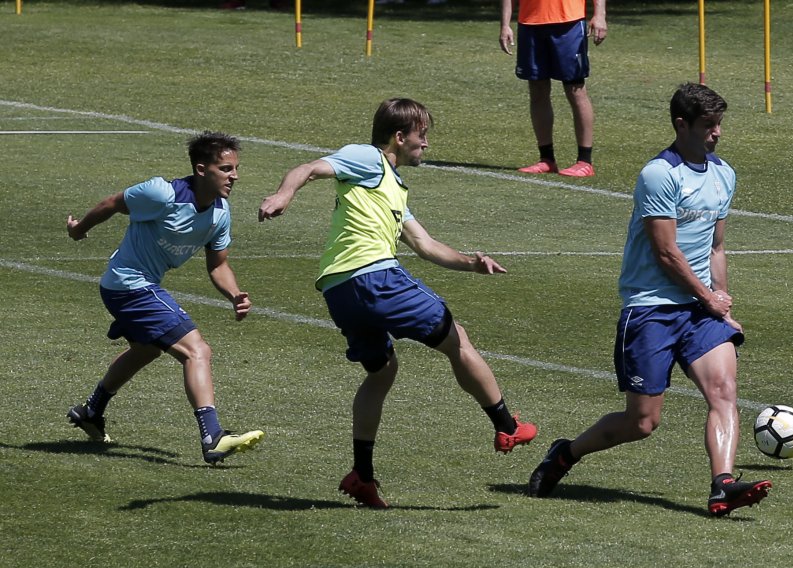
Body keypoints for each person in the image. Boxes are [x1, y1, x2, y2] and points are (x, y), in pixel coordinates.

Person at [258, 97, 538, 509]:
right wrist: (284, 194)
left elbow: (425, 245)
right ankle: (506, 426)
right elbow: (309, 168)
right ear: (400, 136)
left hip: (339, 290)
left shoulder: (393, 187)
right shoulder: (368, 158)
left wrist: (471, 263)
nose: (426, 144)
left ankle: (362, 475)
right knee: (457, 338)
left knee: (382, 371)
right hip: (373, 278)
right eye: (422, 136)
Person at [527, 83, 772, 516]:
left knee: (723, 391)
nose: (717, 133)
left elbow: (715, 248)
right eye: (708, 125)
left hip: (698, 311)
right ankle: (565, 453)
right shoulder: (659, 174)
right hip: (651, 308)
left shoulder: (723, 174)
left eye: (719, 124)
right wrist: (709, 298)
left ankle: (723, 486)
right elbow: (666, 253)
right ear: (682, 125)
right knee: (642, 422)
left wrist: (723, 305)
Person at [66, 131, 264, 466]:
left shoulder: (220, 212)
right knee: (197, 350)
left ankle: (91, 411)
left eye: (235, 169)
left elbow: (218, 265)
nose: (234, 176)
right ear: (201, 170)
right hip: (128, 284)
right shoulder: (162, 194)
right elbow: (112, 203)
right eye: (226, 169)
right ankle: (213, 436)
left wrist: (234, 294)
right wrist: (79, 228)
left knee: (146, 350)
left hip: (137, 286)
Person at [499, 0, 607, 178]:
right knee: (537, 90)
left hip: (569, 23)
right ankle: (546, 159)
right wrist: (505, 25)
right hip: (530, 23)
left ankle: (585, 161)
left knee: (575, 90)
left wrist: (600, 15)